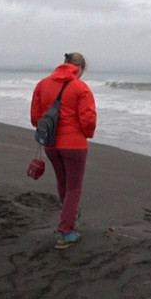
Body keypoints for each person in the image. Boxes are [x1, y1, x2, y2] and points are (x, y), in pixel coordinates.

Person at [31, 52, 97, 249]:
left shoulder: (43, 84)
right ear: (80, 68)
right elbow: (88, 119)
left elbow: (36, 117)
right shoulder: (80, 87)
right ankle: (65, 231)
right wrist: (86, 134)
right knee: (74, 187)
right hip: (74, 144)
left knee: (63, 183)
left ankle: (68, 218)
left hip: (50, 144)